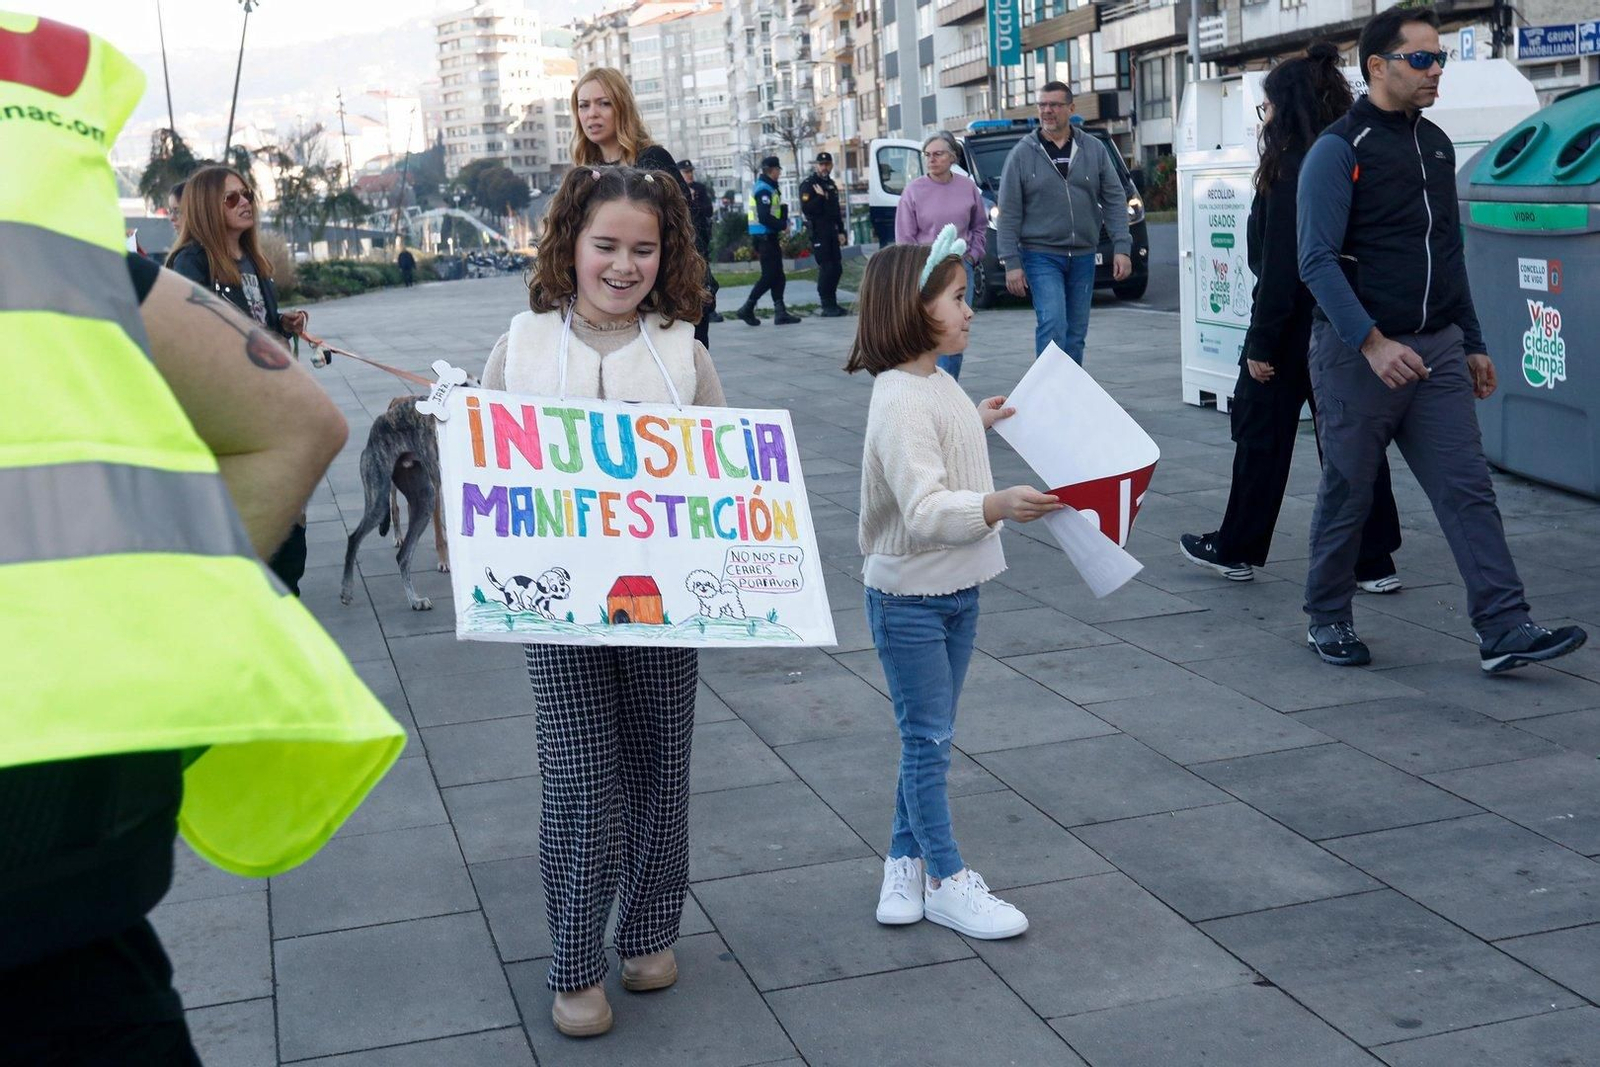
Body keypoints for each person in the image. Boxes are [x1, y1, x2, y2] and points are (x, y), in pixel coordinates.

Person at [2, 14, 403, 1061]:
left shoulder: (212, 264)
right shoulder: (84, 261)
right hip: (70, 856)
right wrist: (157, 627)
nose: (246, 203)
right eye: (231, 194)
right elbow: (298, 421)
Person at [480, 166, 722, 1039]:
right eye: (606, 246)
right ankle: (576, 961)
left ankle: (651, 931)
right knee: (581, 780)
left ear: (668, 253)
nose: (624, 265)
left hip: (663, 604)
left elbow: (724, 478)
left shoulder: (684, 350)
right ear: (570, 246)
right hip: (556, 608)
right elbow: (489, 475)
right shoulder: (521, 345)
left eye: (644, 249)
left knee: (661, 768)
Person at [1297, 5, 1586, 672]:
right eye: (1421, 60)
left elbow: (1448, 253)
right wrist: (1371, 343)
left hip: (1437, 349)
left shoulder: (1434, 145)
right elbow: (1315, 260)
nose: (1436, 74)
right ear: (1378, 66)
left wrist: (1474, 340)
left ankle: (1505, 626)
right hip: (1357, 357)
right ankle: (1328, 615)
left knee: (1467, 489)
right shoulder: (1338, 152)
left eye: (1440, 60)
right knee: (1350, 490)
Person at [845, 227, 1063, 941]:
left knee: (927, 738)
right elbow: (925, 506)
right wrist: (997, 505)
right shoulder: (901, 398)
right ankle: (946, 877)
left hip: (955, 589)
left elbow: (937, 448)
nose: (971, 311)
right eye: (958, 298)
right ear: (914, 309)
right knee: (928, 738)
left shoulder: (933, 384)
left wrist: (978, 420)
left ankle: (903, 860)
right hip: (910, 596)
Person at [1179, 45, 1403, 591]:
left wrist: (1260, 343)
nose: (1266, 119)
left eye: (1268, 108)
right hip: (1351, 325)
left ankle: (1236, 547)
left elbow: (1282, 266)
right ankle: (1374, 560)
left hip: (1291, 330)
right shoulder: (1354, 155)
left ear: (1289, 107)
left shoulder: (1291, 170)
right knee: (1350, 438)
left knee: (1261, 436)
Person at [166, 164, 314, 595]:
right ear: (208, 208)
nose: (245, 202)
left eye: (246, 193)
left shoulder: (253, 261)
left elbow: (257, 322)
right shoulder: (190, 262)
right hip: (233, 418)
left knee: (292, 524)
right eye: (231, 198)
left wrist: (280, 324)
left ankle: (282, 605)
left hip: (272, 408)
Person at [571, 67, 710, 349]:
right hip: (612, 308)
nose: (592, 114)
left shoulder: (651, 160)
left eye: (603, 103)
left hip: (666, 306)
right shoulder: (585, 174)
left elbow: (689, 236)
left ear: (622, 107)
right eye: (583, 105)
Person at [995, 81, 1131, 364]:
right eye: (1043, 105)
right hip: (1040, 255)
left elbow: (1115, 199)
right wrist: (1011, 263)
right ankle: (1047, 398)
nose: (1047, 111)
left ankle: (1070, 397)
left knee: (1076, 333)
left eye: (1054, 105)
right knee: (1053, 324)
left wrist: (1122, 246)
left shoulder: (1092, 149)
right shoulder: (1022, 153)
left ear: (1071, 108)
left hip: (1083, 255)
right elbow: (1008, 213)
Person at [895, 133, 988, 379]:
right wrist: (918, 270)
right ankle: (925, 385)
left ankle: (949, 390)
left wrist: (973, 255)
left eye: (938, 154)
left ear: (952, 157)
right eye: (927, 155)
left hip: (960, 268)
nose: (932, 159)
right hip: (927, 271)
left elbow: (980, 225)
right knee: (927, 331)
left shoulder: (967, 187)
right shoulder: (913, 191)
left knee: (955, 331)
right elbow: (905, 237)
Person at [735, 156, 800, 327]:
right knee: (770, 276)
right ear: (773, 170)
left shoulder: (768, 187)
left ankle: (780, 312)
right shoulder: (764, 189)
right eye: (778, 170)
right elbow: (764, 216)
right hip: (765, 238)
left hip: (768, 238)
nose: (779, 173)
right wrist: (782, 225)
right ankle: (747, 308)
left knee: (778, 276)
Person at [799, 151, 848, 317]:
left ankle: (833, 302)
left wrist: (841, 231)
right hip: (819, 231)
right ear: (816, 166)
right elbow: (807, 209)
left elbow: (835, 211)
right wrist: (820, 197)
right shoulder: (809, 184)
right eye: (822, 164)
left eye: (827, 164)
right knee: (826, 268)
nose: (824, 167)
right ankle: (826, 304)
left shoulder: (831, 185)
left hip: (832, 232)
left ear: (832, 165)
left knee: (837, 268)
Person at [678, 158, 723, 324]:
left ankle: (711, 309)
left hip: (701, 237)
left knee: (706, 276)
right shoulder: (676, 189)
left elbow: (709, 210)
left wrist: (695, 200)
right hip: (687, 240)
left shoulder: (700, 189)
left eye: (690, 172)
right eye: (686, 172)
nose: (689, 175)